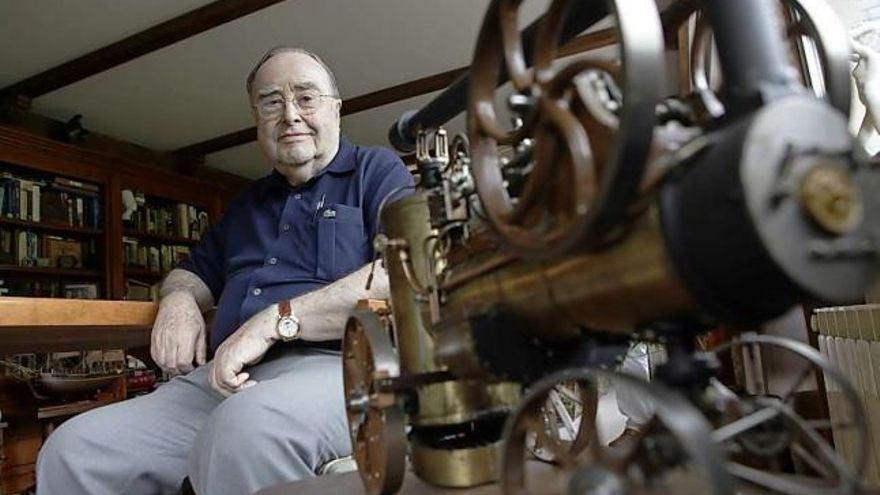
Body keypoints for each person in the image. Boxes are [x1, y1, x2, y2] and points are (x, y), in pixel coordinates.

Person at [35, 47, 414, 495]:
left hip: (340, 367)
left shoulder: (376, 170)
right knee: (74, 448)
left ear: (336, 108)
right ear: (257, 119)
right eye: (272, 102)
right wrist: (177, 301)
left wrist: (273, 323)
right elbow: (189, 273)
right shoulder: (246, 205)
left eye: (306, 98)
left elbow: (399, 271)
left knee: (247, 428)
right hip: (220, 380)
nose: (290, 114)